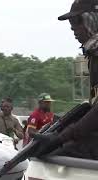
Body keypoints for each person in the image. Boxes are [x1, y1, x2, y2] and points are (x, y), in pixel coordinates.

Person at [31, 0, 98, 160]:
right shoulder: (93, 54)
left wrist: (63, 136)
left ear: (93, 19)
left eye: (76, 22)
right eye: (71, 25)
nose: (73, 29)